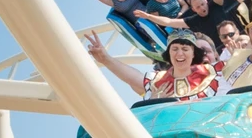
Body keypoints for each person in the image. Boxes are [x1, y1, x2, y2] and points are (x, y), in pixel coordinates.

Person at [86, 29, 222, 101]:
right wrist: (105, 58)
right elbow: (133, 78)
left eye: (186, 49)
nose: (180, 54)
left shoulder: (221, 73)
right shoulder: (159, 81)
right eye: (175, 49)